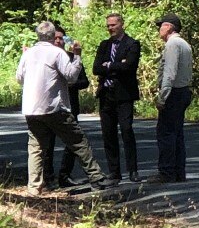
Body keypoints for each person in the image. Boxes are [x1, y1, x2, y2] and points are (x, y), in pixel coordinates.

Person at [15, 21, 113, 194]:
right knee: (78, 141)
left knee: (36, 147)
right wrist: (77, 56)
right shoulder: (57, 53)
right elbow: (71, 77)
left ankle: (34, 186)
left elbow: (19, 78)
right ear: (53, 36)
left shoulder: (28, 54)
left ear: (37, 35)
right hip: (54, 107)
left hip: (32, 108)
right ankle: (96, 177)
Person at [93, 12, 142, 182]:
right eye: (108, 25)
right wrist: (115, 65)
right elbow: (96, 68)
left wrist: (109, 66)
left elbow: (129, 66)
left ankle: (133, 170)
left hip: (124, 95)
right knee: (108, 133)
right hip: (106, 95)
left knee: (127, 131)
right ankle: (114, 171)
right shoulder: (104, 45)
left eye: (113, 25)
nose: (110, 28)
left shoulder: (132, 44)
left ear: (121, 24)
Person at [44, 23, 91, 189]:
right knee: (47, 143)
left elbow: (84, 81)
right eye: (55, 38)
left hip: (70, 105)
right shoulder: (45, 57)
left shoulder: (72, 57)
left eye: (61, 38)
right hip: (49, 106)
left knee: (73, 143)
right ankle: (48, 177)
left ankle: (65, 175)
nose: (58, 41)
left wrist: (70, 84)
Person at [151, 13, 193, 184]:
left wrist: (162, 98)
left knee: (166, 134)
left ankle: (166, 173)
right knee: (177, 134)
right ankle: (178, 173)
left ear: (168, 27)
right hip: (184, 91)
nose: (159, 29)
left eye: (161, 26)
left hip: (174, 93)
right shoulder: (184, 44)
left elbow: (170, 73)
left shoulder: (172, 45)